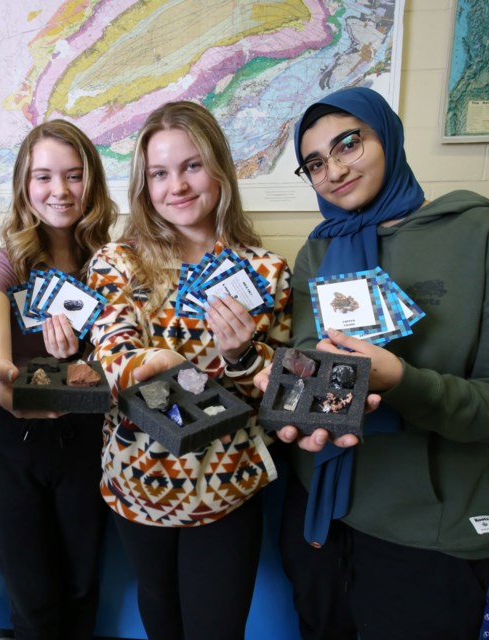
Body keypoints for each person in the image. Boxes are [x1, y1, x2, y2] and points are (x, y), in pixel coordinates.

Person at [254, 86, 489, 640]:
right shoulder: (318, 252)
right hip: (319, 512)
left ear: (386, 134)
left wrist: (402, 381)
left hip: (427, 530)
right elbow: (314, 368)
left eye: (348, 144)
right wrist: (289, 389)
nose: (335, 170)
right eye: (314, 163)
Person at [86, 101, 292, 640]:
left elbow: (280, 389)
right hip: (139, 480)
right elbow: (113, 346)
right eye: (159, 173)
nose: (176, 185)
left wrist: (243, 355)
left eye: (192, 165)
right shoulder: (119, 260)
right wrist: (152, 363)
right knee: (161, 616)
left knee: (216, 627)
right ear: (144, 184)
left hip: (227, 485)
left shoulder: (266, 271)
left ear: (221, 169)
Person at [0, 120, 116, 639]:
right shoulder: (5, 264)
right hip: (11, 443)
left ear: (93, 183)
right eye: (43, 177)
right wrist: (4, 385)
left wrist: (78, 358)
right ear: (24, 186)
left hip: (85, 438)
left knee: (81, 584)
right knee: (32, 596)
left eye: (74, 176)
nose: (59, 191)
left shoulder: (112, 263)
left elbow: (123, 355)